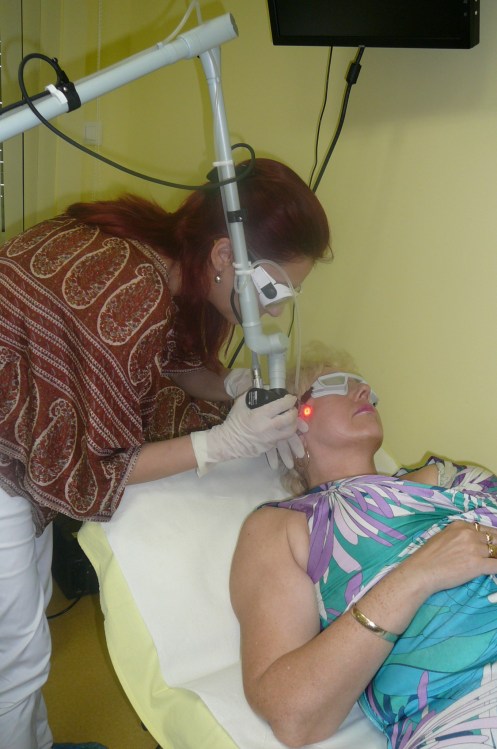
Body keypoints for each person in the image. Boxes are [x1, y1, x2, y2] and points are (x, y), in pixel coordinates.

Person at [0, 158, 330, 749]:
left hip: (15, 439)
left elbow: (169, 364)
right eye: (275, 290)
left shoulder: (154, 254)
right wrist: (218, 444)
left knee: (21, 641)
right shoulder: (128, 295)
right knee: (14, 660)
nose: (278, 312)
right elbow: (89, 476)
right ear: (225, 254)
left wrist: (230, 385)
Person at [230, 344, 497, 749]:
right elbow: (292, 716)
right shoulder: (282, 526)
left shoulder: (455, 478)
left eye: (367, 390)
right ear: (287, 419)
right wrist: (419, 574)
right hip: (471, 713)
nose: (365, 392)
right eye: (337, 384)